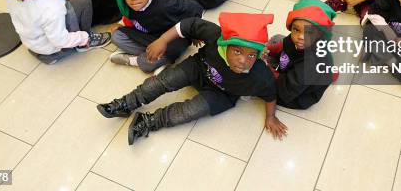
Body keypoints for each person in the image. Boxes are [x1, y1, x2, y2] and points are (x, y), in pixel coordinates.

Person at [97, 13, 289, 145]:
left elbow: (270, 94)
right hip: (198, 68)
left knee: (189, 111)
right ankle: (126, 103)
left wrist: (271, 117)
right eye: (237, 51)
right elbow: (187, 25)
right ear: (226, 45)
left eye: (250, 55)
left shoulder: (259, 75)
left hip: (223, 94)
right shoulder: (215, 36)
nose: (243, 60)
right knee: (163, 81)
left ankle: (149, 121)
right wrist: (163, 40)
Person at [108, 0, 204, 72]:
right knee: (116, 36)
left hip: (171, 39)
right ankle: (154, 56)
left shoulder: (166, 5)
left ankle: (136, 60)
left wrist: (196, 34)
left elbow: (196, 7)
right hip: (151, 35)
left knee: (148, 64)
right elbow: (131, 18)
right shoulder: (130, 4)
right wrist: (122, 23)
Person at [263, 0, 336, 109]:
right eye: (296, 29)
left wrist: (265, 68)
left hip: (298, 95)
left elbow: (286, 89)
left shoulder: (310, 65)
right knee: (278, 39)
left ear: (320, 34)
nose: (301, 37)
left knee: (258, 80)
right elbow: (284, 44)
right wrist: (268, 49)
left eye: (309, 32)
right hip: (297, 69)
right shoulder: (301, 41)